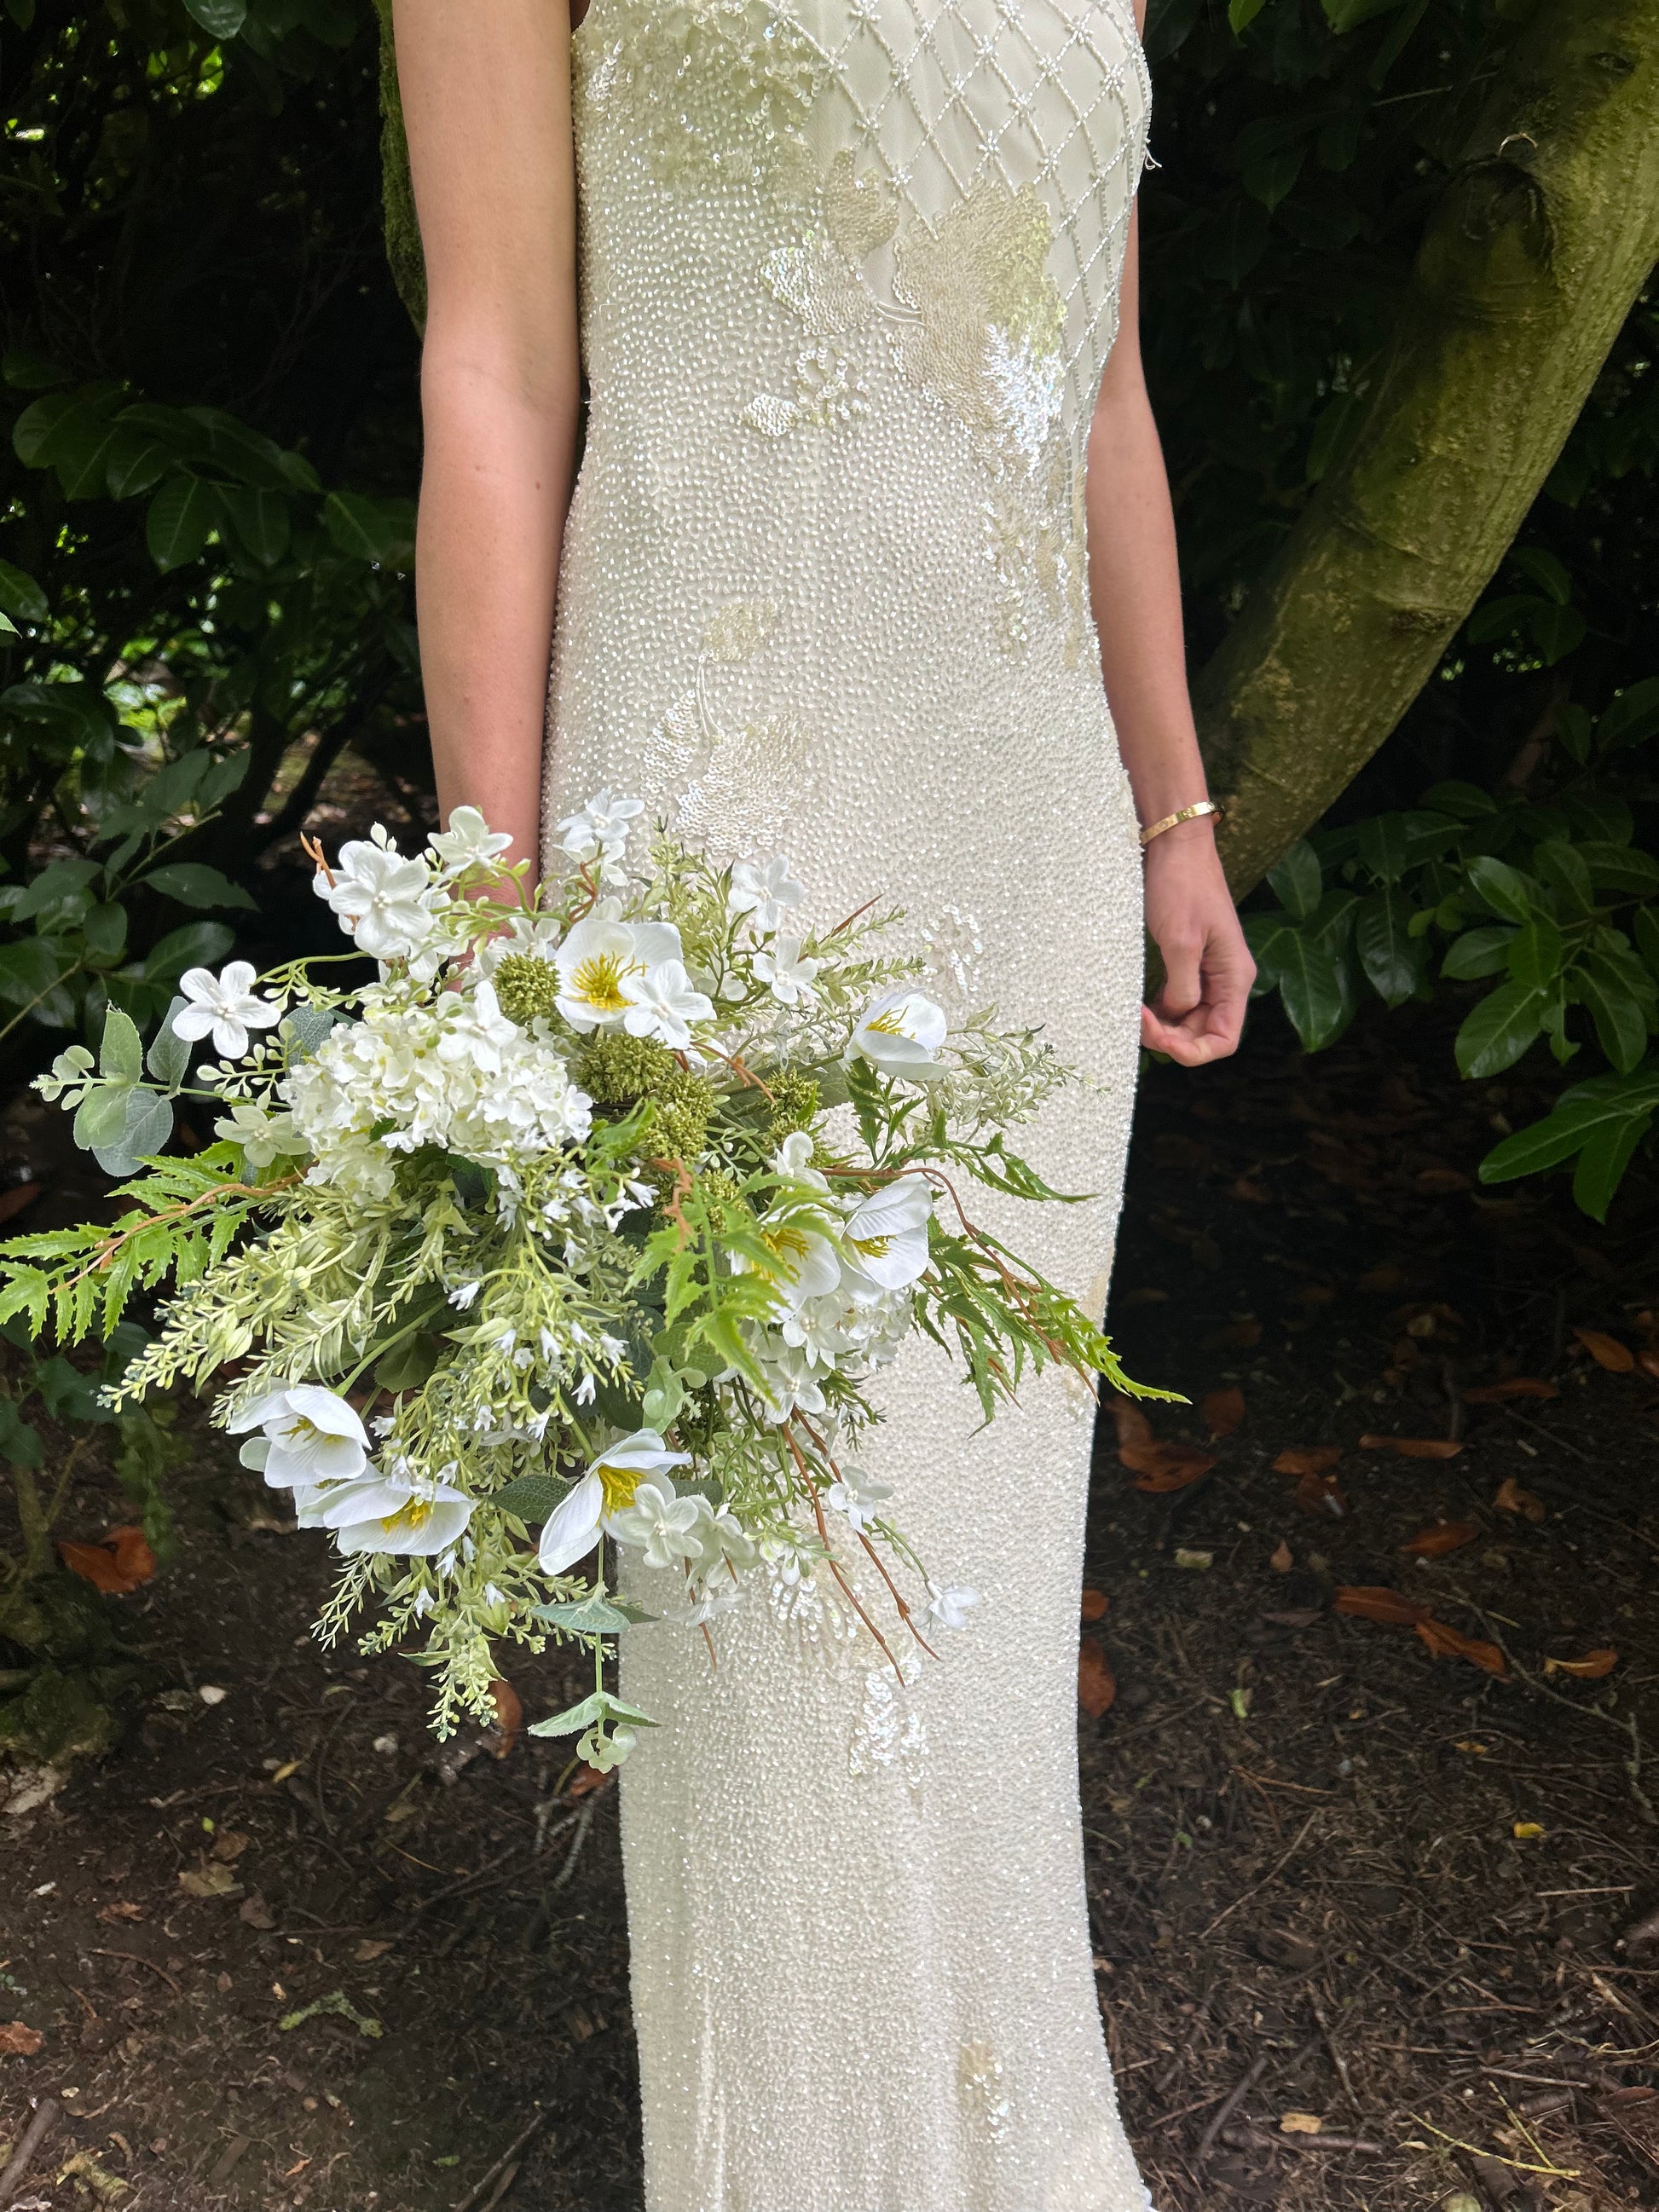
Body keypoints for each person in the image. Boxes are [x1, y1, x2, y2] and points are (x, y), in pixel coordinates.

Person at [392, 0, 1253, 2203]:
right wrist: (495, 928)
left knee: (966, 1570)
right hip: (713, 843)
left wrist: (1171, 811)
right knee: (769, 1590)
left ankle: (1001, 2138)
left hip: (1018, 846)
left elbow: (1097, 395)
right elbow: (495, 365)